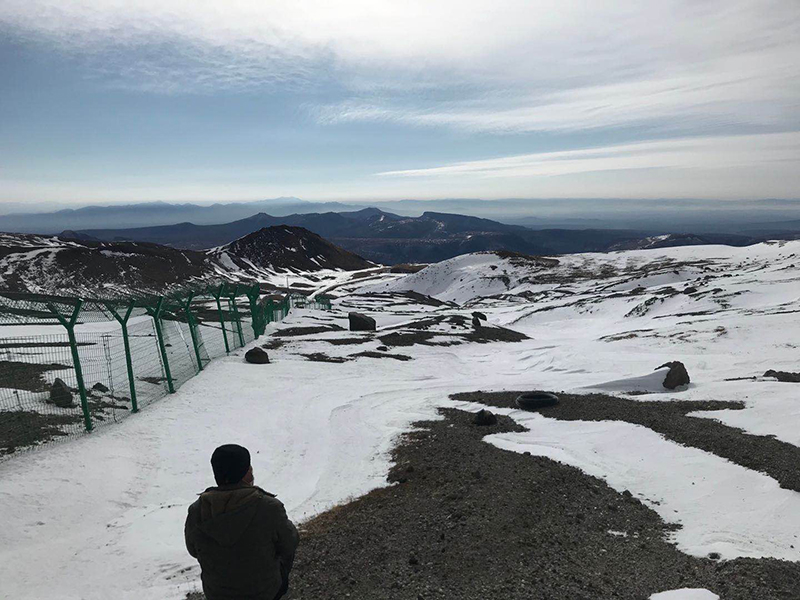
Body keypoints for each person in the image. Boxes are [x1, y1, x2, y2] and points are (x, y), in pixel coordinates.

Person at [185, 444, 299, 600]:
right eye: (249, 468)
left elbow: (193, 550)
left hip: (217, 594)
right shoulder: (269, 507)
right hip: (263, 592)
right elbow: (290, 542)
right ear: (245, 475)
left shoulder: (197, 510)